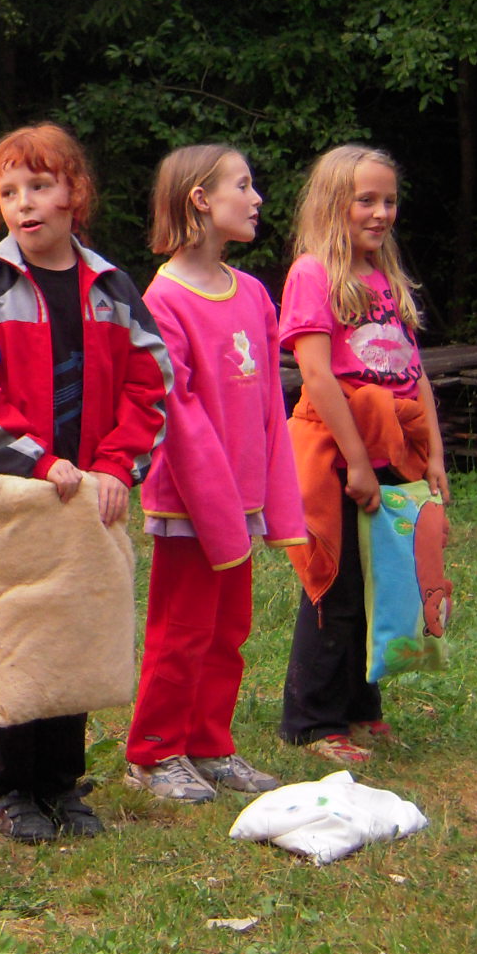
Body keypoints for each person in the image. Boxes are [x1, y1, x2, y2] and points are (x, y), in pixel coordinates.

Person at [0, 122, 169, 843]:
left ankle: (62, 783)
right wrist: (39, 461)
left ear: (75, 192)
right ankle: (10, 786)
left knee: (73, 632)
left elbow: (151, 383)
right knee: (10, 636)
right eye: (8, 192)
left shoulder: (112, 286)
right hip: (6, 497)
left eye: (39, 186)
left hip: (86, 495)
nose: (24, 203)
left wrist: (116, 465)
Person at [126, 146, 302, 803]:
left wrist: (272, 496)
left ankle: (208, 742)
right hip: (190, 505)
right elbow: (178, 413)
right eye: (243, 185)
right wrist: (218, 503)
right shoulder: (163, 301)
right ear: (200, 199)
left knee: (229, 629)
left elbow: (270, 407)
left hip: (243, 499)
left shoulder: (253, 293)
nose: (257, 200)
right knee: (182, 630)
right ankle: (153, 752)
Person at [278, 145, 449, 763]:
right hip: (336, 447)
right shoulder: (313, 274)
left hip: (393, 448)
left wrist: (433, 455)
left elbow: (414, 372)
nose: (381, 213)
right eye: (366, 200)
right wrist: (354, 461)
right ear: (333, 205)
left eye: (390, 201)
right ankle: (313, 720)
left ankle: (360, 705)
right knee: (337, 582)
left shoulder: (384, 276)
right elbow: (317, 377)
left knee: (384, 579)